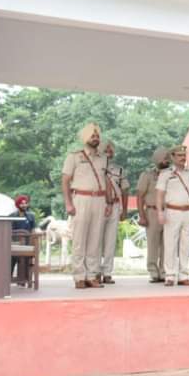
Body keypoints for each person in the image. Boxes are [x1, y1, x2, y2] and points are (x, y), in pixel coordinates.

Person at [61, 122, 111, 289]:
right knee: (79, 239)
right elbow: (65, 181)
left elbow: (106, 180)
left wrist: (108, 202)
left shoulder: (104, 158)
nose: (96, 138)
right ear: (85, 138)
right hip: (80, 199)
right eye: (92, 136)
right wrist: (68, 203)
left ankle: (92, 275)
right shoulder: (74, 157)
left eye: (97, 136)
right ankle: (79, 276)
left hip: (99, 199)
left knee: (95, 240)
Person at [155, 145, 189, 287]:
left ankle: (183, 275)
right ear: (172, 157)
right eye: (179, 155)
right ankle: (169, 275)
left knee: (186, 245)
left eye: (184, 155)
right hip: (172, 212)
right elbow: (159, 195)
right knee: (170, 244)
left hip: (188, 212)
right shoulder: (165, 174)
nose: (183, 157)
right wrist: (160, 212)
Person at [136, 148, 170, 283]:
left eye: (168, 157)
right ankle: (153, 272)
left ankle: (164, 271)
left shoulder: (173, 175)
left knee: (167, 244)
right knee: (153, 244)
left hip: (169, 212)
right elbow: (140, 196)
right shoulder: (147, 175)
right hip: (152, 212)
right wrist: (142, 215)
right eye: (164, 158)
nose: (166, 160)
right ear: (157, 159)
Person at [99, 140, 129, 284]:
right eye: (106, 149)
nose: (110, 151)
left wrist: (125, 209)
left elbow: (125, 190)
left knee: (110, 241)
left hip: (115, 206)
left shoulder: (118, 170)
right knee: (96, 240)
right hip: (99, 205)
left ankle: (107, 272)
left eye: (111, 149)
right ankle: (94, 272)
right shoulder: (95, 168)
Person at [11, 194, 37, 282]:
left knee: (27, 259)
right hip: (15, 243)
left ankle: (26, 279)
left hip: (27, 242)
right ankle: (9, 279)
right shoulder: (12, 216)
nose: (24, 205)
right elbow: (10, 231)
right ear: (18, 205)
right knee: (12, 259)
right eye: (22, 203)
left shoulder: (31, 216)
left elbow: (33, 230)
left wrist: (33, 241)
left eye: (26, 203)